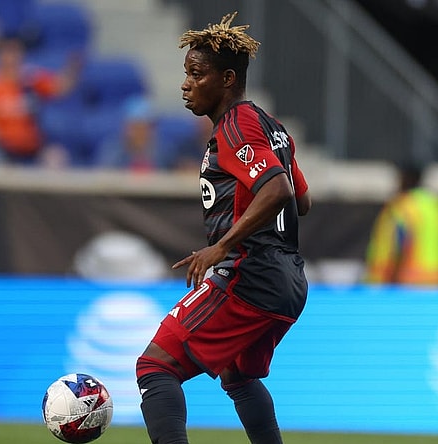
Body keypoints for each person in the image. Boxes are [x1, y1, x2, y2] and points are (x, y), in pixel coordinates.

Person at [135, 12, 311, 444]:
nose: (186, 85)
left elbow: (278, 190)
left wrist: (221, 246)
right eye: (186, 74)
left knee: (155, 366)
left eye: (197, 75)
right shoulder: (273, 127)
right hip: (289, 280)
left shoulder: (236, 126)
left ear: (228, 79)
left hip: (250, 275)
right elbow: (302, 199)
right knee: (238, 376)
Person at [0, 36, 81, 164]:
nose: (11, 58)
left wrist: (73, 68)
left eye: (14, 52)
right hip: (2, 148)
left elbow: (60, 88)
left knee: (56, 157)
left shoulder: (31, 79)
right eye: (6, 53)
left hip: (33, 148)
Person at [363, 163, 438, 286]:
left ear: (405, 178)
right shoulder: (437, 205)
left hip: (409, 279)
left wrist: (388, 276)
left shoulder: (404, 205)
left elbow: (398, 242)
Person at [95, 96, 174, 172]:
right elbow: (105, 175)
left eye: (145, 128)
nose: (140, 133)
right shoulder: (113, 151)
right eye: (136, 128)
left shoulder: (163, 151)